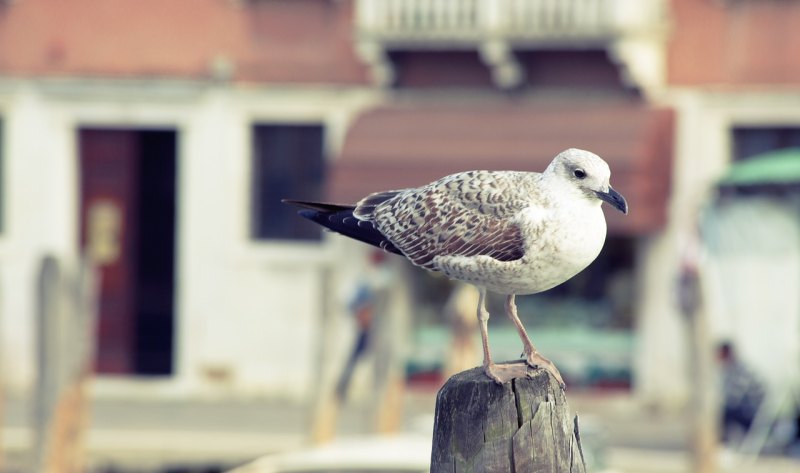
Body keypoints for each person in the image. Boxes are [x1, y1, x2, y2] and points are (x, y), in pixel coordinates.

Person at [718, 341, 765, 443]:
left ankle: (722, 443)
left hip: (753, 411)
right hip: (747, 408)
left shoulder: (740, 369)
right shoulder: (730, 369)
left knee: (723, 413)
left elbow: (736, 397)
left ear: (726, 354)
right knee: (721, 411)